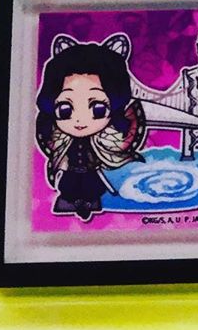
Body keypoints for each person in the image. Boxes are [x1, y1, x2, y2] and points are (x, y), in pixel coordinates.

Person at [35, 34, 146, 221]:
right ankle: (72, 203)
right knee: (69, 187)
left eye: (98, 109)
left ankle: (87, 204)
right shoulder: (60, 138)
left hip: (91, 175)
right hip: (70, 174)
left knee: (92, 187)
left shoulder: (107, 136)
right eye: (65, 109)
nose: (80, 120)